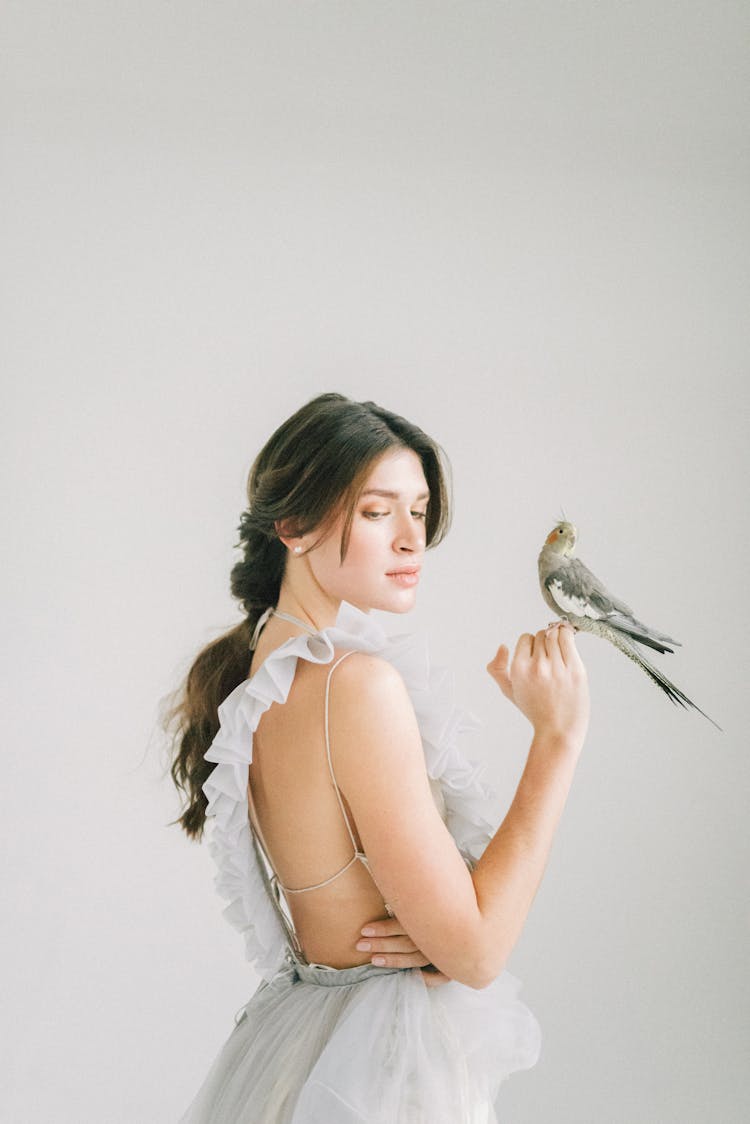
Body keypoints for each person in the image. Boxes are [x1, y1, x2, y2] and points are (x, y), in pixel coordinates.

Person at [165, 391, 590, 1122]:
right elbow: (479, 954)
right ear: (293, 525)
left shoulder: (264, 673)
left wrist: (434, 921)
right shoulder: (355, 687)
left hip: (310, 1041)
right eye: (375, 511)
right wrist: (558, 738)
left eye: (419, 512)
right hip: (380, 1068)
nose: (409, 540)